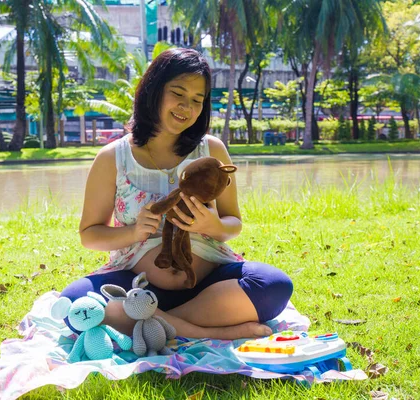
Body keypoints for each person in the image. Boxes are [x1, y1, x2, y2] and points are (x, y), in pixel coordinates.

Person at [61, 48, 293, 340]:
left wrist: (212, 225)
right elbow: (89, 234)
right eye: (178, 94)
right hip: (136, 287)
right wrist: (133, 232)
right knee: (75, 304)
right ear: (154, 90)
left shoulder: (212, 150)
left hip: (209, 287)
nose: (187, 107)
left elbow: (234, 222)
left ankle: (156, 325)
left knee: (274, 285)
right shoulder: (113, 158)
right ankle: (201, 331)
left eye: (197, 100)